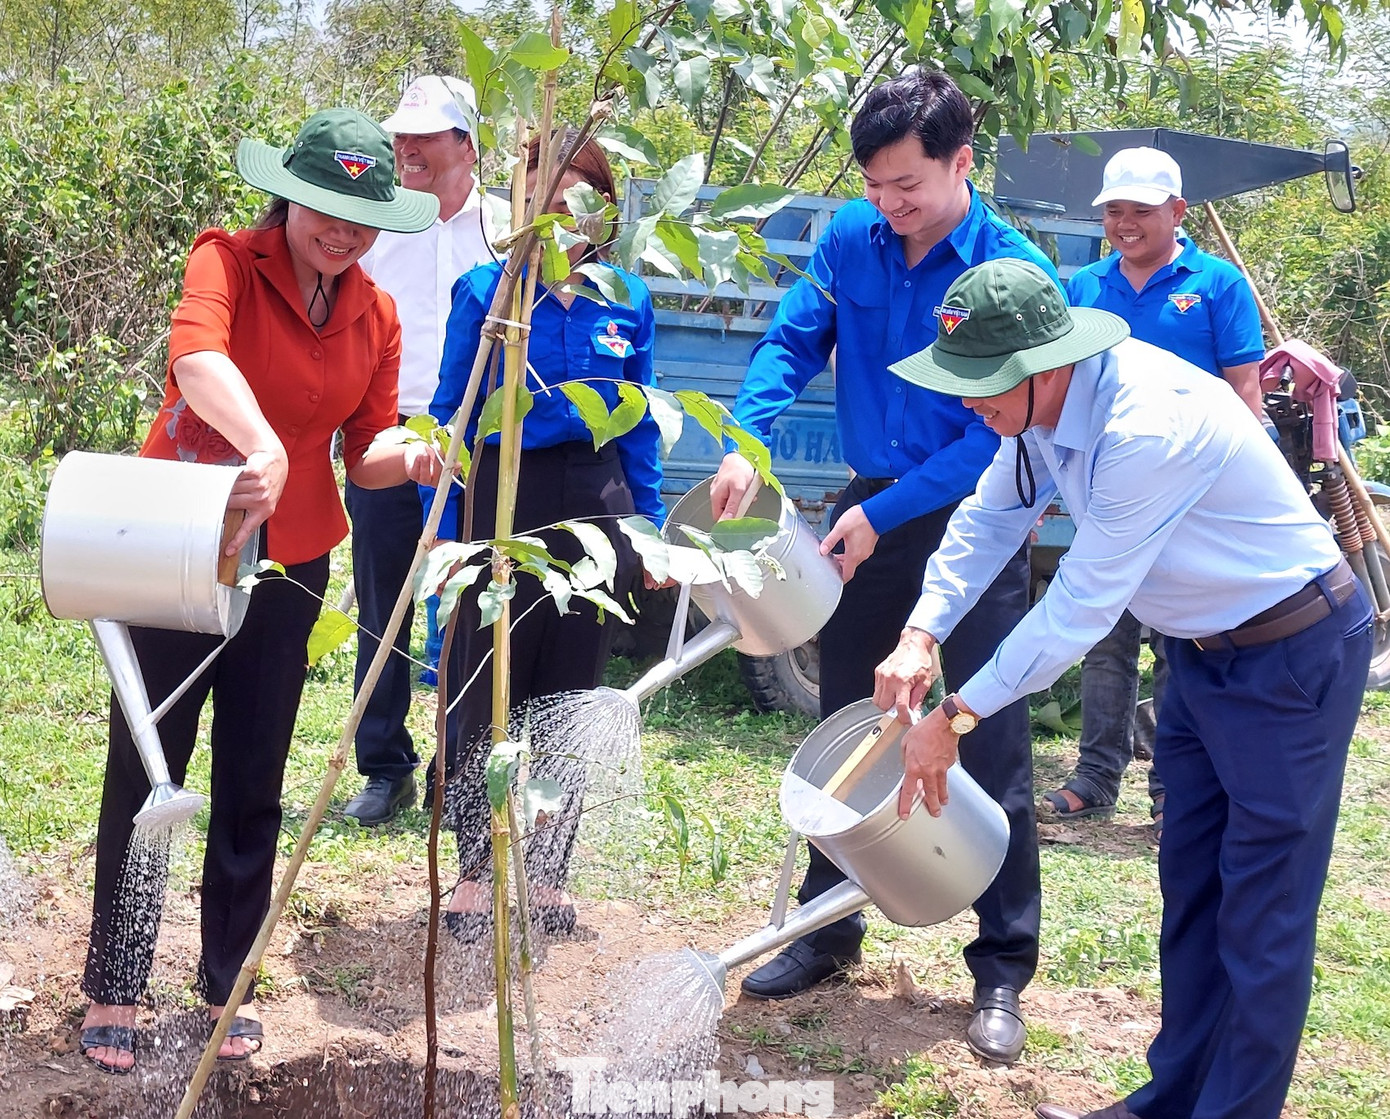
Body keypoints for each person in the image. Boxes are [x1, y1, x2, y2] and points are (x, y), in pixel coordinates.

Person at [875, 257, 1369, 1119]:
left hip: (1290, 652)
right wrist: (923, 631)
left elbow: (1079, 606)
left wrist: (956, 714)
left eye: (981, 383)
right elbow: (991, 516)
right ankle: (1171, 1101)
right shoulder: (1038, 412)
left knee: (1263, 906)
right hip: (1200, 654)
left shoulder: (1145, 425)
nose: (966, 402)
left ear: (1045, 364)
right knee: (1192, 886)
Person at [78, 109, 444, 1074]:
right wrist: (263, 443)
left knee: (255, 772)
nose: (344, 233)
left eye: (363, 219)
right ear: (289, 198)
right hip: (180, 536)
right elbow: (196, 358)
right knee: (149, 755)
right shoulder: (228, 262)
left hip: (292, 560)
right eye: (326, 210)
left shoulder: (377, 312)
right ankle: (116, 981)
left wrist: (416, 453)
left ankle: (226, 980)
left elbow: (364, 451)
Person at [708, 69, 1054, 1065]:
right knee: (848, 726)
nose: (888, 204)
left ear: (960, 163)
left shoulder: (1012, 270)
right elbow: (790, 341)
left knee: (985, 733)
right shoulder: (849, 239)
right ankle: (827, 930)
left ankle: (1000, 966)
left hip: (975, 515)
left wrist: (882, 514)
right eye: (874, 186)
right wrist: (746, 441)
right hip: (869, 504)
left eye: (907, 184)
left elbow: (993, 439)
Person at [427, 130, 664, 941]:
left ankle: (550, 870)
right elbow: (451, 412)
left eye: (577, 204)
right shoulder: (485, 292)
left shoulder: (626, 298)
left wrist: (648, 528)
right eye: (544, 201)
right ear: (519, 203)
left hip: (597, 501)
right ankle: (473, 870)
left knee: (570, 696)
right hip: (502, 498)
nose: (560, 219)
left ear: (604, 211)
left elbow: (640, 422)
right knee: (486, 682)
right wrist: (445, 531)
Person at [1046, 147, 1267, 840]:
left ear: (1178, 211)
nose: (1125, 223)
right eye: (1114, 210)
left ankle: (1174, 789)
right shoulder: (1085, 286)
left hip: (1189, 498)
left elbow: (1245, 393)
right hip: (1108, 492)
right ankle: (1094, 777)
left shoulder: (1218, 284)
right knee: (1104, 638)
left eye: (1141, 210)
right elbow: (1063, 390)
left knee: (1181, 645)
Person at [342, 75, 500, 828]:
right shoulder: (375, 223)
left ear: (466, 145)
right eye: (399, 136)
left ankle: (458, 766)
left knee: (469, 599)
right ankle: (384, 766)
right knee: (382, 601)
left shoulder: (506, 228)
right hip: (388, 431)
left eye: (424, 137)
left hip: (479, 439)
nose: (406, 149)